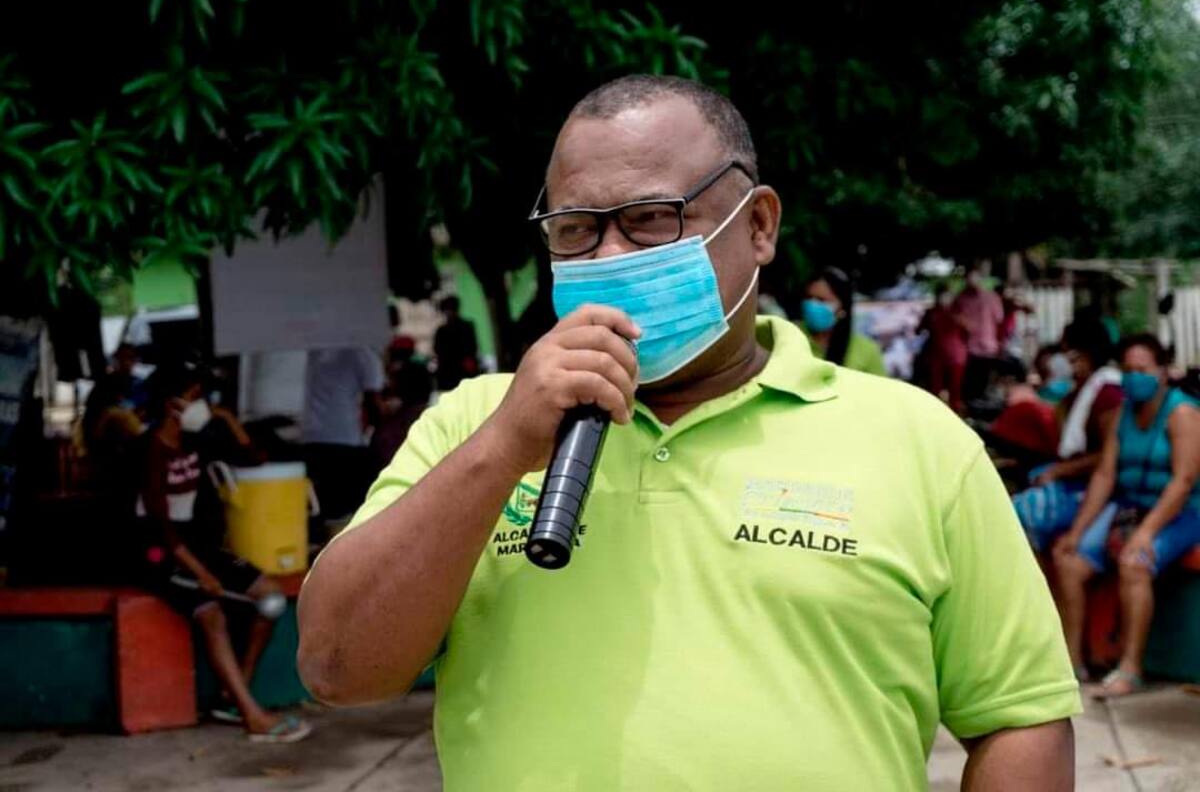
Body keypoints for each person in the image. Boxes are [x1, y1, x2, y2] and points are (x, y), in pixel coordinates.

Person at [299, 75, 1078, 790]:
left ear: (760, 226)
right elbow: (337, 668)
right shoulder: (474, 427)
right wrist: (505, 449)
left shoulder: (918, 442)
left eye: (648, 220)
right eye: (576, 229)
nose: (608, 255)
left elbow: (1020, 716)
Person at [137, 365, 310, 742]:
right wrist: (202, 575)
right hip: (160, 555)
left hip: (200, 548)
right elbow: (163, 530)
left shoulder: (198, 439)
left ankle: (234, 694)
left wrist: (228, 419)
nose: (204, 404)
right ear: (172, 404)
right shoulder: (151, 450)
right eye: (196, 396)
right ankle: (254, 717)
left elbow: (254, 458)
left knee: (270, 598)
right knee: (211, 614)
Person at [1052, 334, 1200, 694]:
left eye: (1143, 370)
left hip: (1180, 512)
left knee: (1134, 562)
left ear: (1163, 371)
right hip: (1129, 507)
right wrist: (1078, 530)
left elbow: (1182, 482)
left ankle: (1130, 668)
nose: (1135, 377)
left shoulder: (1182, 414)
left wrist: (1146, 533)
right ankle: (1072, 663)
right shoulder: (1120, 416)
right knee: (1067, 559)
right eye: (1128, 370)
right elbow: (1104, 475)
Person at [1012, 318, 1123, 552]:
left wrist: (1059, 471)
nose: (1061, 360)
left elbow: (1108, 454)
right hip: (1074, 481)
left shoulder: (1108, 394)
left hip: (1094, 489)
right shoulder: (1080, 392)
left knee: (1020, 512)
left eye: (1065, 351)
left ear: (1083, 353)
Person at [302, 346, 385, 523]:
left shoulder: (314, 351)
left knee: (322, 509)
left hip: (311, 438)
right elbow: (374, 405)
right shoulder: (363, 353)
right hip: (347, 441)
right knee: (351, 514)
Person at [797, 267, 886, 376]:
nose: (812, 305)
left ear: (842, 308)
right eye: (809, 297)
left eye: (821, 300)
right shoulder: (788, 337)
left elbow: (879, 390)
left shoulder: (866, 350)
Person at [953, 268, 1005, 405]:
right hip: (968, 349)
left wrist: (1000, 344)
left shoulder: (992, 297)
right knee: (970, 384)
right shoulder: (960, 299)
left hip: (987, 347)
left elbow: (1000, 322)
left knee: (985, 382)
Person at [918, 284, 970, 412]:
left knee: (955, 390)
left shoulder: (958, 312)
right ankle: (935, 414)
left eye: (947, 295)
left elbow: (968, 332)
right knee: (935, 388)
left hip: (955, 356)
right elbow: (919, 330)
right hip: (936, 356)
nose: (944, 298)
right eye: (942, 295)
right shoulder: (931, 312)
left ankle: (955, 414)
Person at [433, 296, 480, 391]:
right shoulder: (441, 331)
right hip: (448, 372)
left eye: (451, 309)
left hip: (463, 371)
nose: (449, 313)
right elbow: (438, 350)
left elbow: (472, 348)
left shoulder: (466, 327)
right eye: (447, 310)